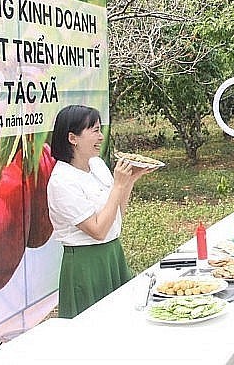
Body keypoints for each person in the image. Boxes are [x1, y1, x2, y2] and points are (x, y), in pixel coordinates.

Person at [47, 105, 155, 318]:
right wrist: (117, 186)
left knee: (122, 320)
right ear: (72, 138)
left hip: (112, 254)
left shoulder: (96, 165)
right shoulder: (61, 181)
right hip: (86, 263)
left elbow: (115, 215)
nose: (100, 136)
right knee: (92, 329)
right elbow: (97, 230)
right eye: (94, 130)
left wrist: (130, 180)